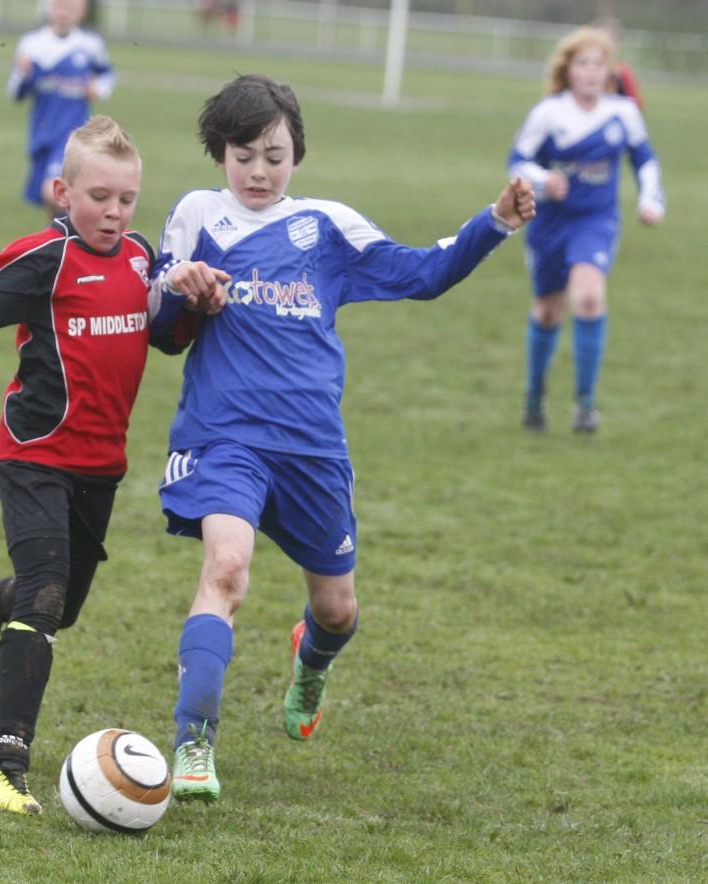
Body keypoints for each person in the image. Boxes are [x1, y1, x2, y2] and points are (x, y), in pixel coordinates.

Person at [147, 74, 536, 803]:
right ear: (219, 152)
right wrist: (186, 293)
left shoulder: (327, 226)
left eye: (274, 154)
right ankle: (192, 742)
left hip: (313, 449)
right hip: (225, 436)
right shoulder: (198, 214)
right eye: (243, 155)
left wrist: (495, 222)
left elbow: (421, 273)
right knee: (227, 570)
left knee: (337, 611)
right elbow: (159, 326)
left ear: (297, 153)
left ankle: (312, 661)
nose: (258, 171)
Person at [0, 116, 223, 816]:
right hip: (32, 455)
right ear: (63, 191)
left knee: (61, 604)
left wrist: (195, 308)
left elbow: (166, 339)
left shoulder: (143, 259)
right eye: (99, 197)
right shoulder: (46, 258)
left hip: (100, 466)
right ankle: (5, 764)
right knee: (48, 594)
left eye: (126, 199)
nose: (114, 213)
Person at [508, 26, 664, 433]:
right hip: (550, 223)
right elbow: (517, 160)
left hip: (596, 220)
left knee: (590, 296)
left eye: (599, 64)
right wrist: (543, 180)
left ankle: (585, 404)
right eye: (583, 64)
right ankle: (534, 396)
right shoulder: (549, 112)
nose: (592, 72)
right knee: (548, 310)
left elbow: (644, 160)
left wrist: (651, 200)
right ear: (568, 69)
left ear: (609, 71)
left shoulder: (623, 113)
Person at [8, 0, 115, 216]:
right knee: (51, 199)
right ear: (48, 7)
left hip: (72, 134)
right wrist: (24, 74)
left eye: (71, 7)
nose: (64, 13)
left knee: (53, 192)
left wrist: (98, 89)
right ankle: (61, 240)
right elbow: (16, 92)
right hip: (41, 132)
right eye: (59, 6)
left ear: (82, 12)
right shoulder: (32, 44)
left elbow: (107, 74)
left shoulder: (89, 45)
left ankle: (74, 239)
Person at [595, 16, 645, 111]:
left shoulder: (623, 73)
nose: (602, 47)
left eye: (607, 42)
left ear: (616, 46)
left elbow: (636, 105)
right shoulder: (580, 71)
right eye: (597, 42)